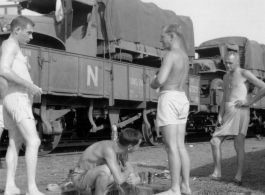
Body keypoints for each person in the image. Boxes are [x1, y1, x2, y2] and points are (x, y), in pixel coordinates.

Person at [0, 16, 43, 195]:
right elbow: (3, 69)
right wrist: (29, 85)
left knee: (14, 143)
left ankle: (10, 186)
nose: (31, 36)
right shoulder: (10, 45)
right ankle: (32, 189)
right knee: (33, 141)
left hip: (12, 98)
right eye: (29, 32)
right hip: (17, 97)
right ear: (17, 30)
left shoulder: (13, 47)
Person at [210, 51, 265, 186]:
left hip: (240, 112)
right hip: (227, 112)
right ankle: (217, 173)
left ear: (237, 62)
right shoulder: (225, 76)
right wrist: (220, 114)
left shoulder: (244, 73)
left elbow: (263, 86)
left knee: (238, 144)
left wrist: (249, 102)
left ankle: (238, 176)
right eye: (226, 62)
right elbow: (224, 98)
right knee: (214, 141)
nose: (227, 65)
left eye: (230, 63)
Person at [150, 23, 191, 195]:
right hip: (182, 98)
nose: (161, 41)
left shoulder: (170, 55)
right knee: (180, 145)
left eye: (163, 37)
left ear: (172, 36)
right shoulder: (185, 56)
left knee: (171, 146)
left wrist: (152, 82)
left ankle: (174, 189)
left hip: (169, 98)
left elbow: (160, 81)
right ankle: (185, 186)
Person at [70, 128, 142, 195]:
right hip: (80, 179)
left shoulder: (122, 150)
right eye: (138, 145)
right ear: (129, 147)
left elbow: (130, 170)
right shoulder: (109, 150)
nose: (139, 147)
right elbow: (119, 180)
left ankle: (104, 192)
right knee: (106, 170)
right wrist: (128, 171)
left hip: (95, 180)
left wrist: (137, 178)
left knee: (123, 174)